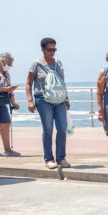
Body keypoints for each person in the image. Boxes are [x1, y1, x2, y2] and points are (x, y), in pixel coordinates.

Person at [26, 37, 70, 169]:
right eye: (49, 50)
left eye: (54, 49)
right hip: (43, 99)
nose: (52, 52)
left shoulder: (59, 63)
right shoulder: (36, 64)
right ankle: (49, 159)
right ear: (42, 49)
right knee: (48, 129)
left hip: (59, 99)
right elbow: (28, 83)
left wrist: (66, 99)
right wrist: (30, 100)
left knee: (62, 128)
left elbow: (61, 82)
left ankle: (61, 158)